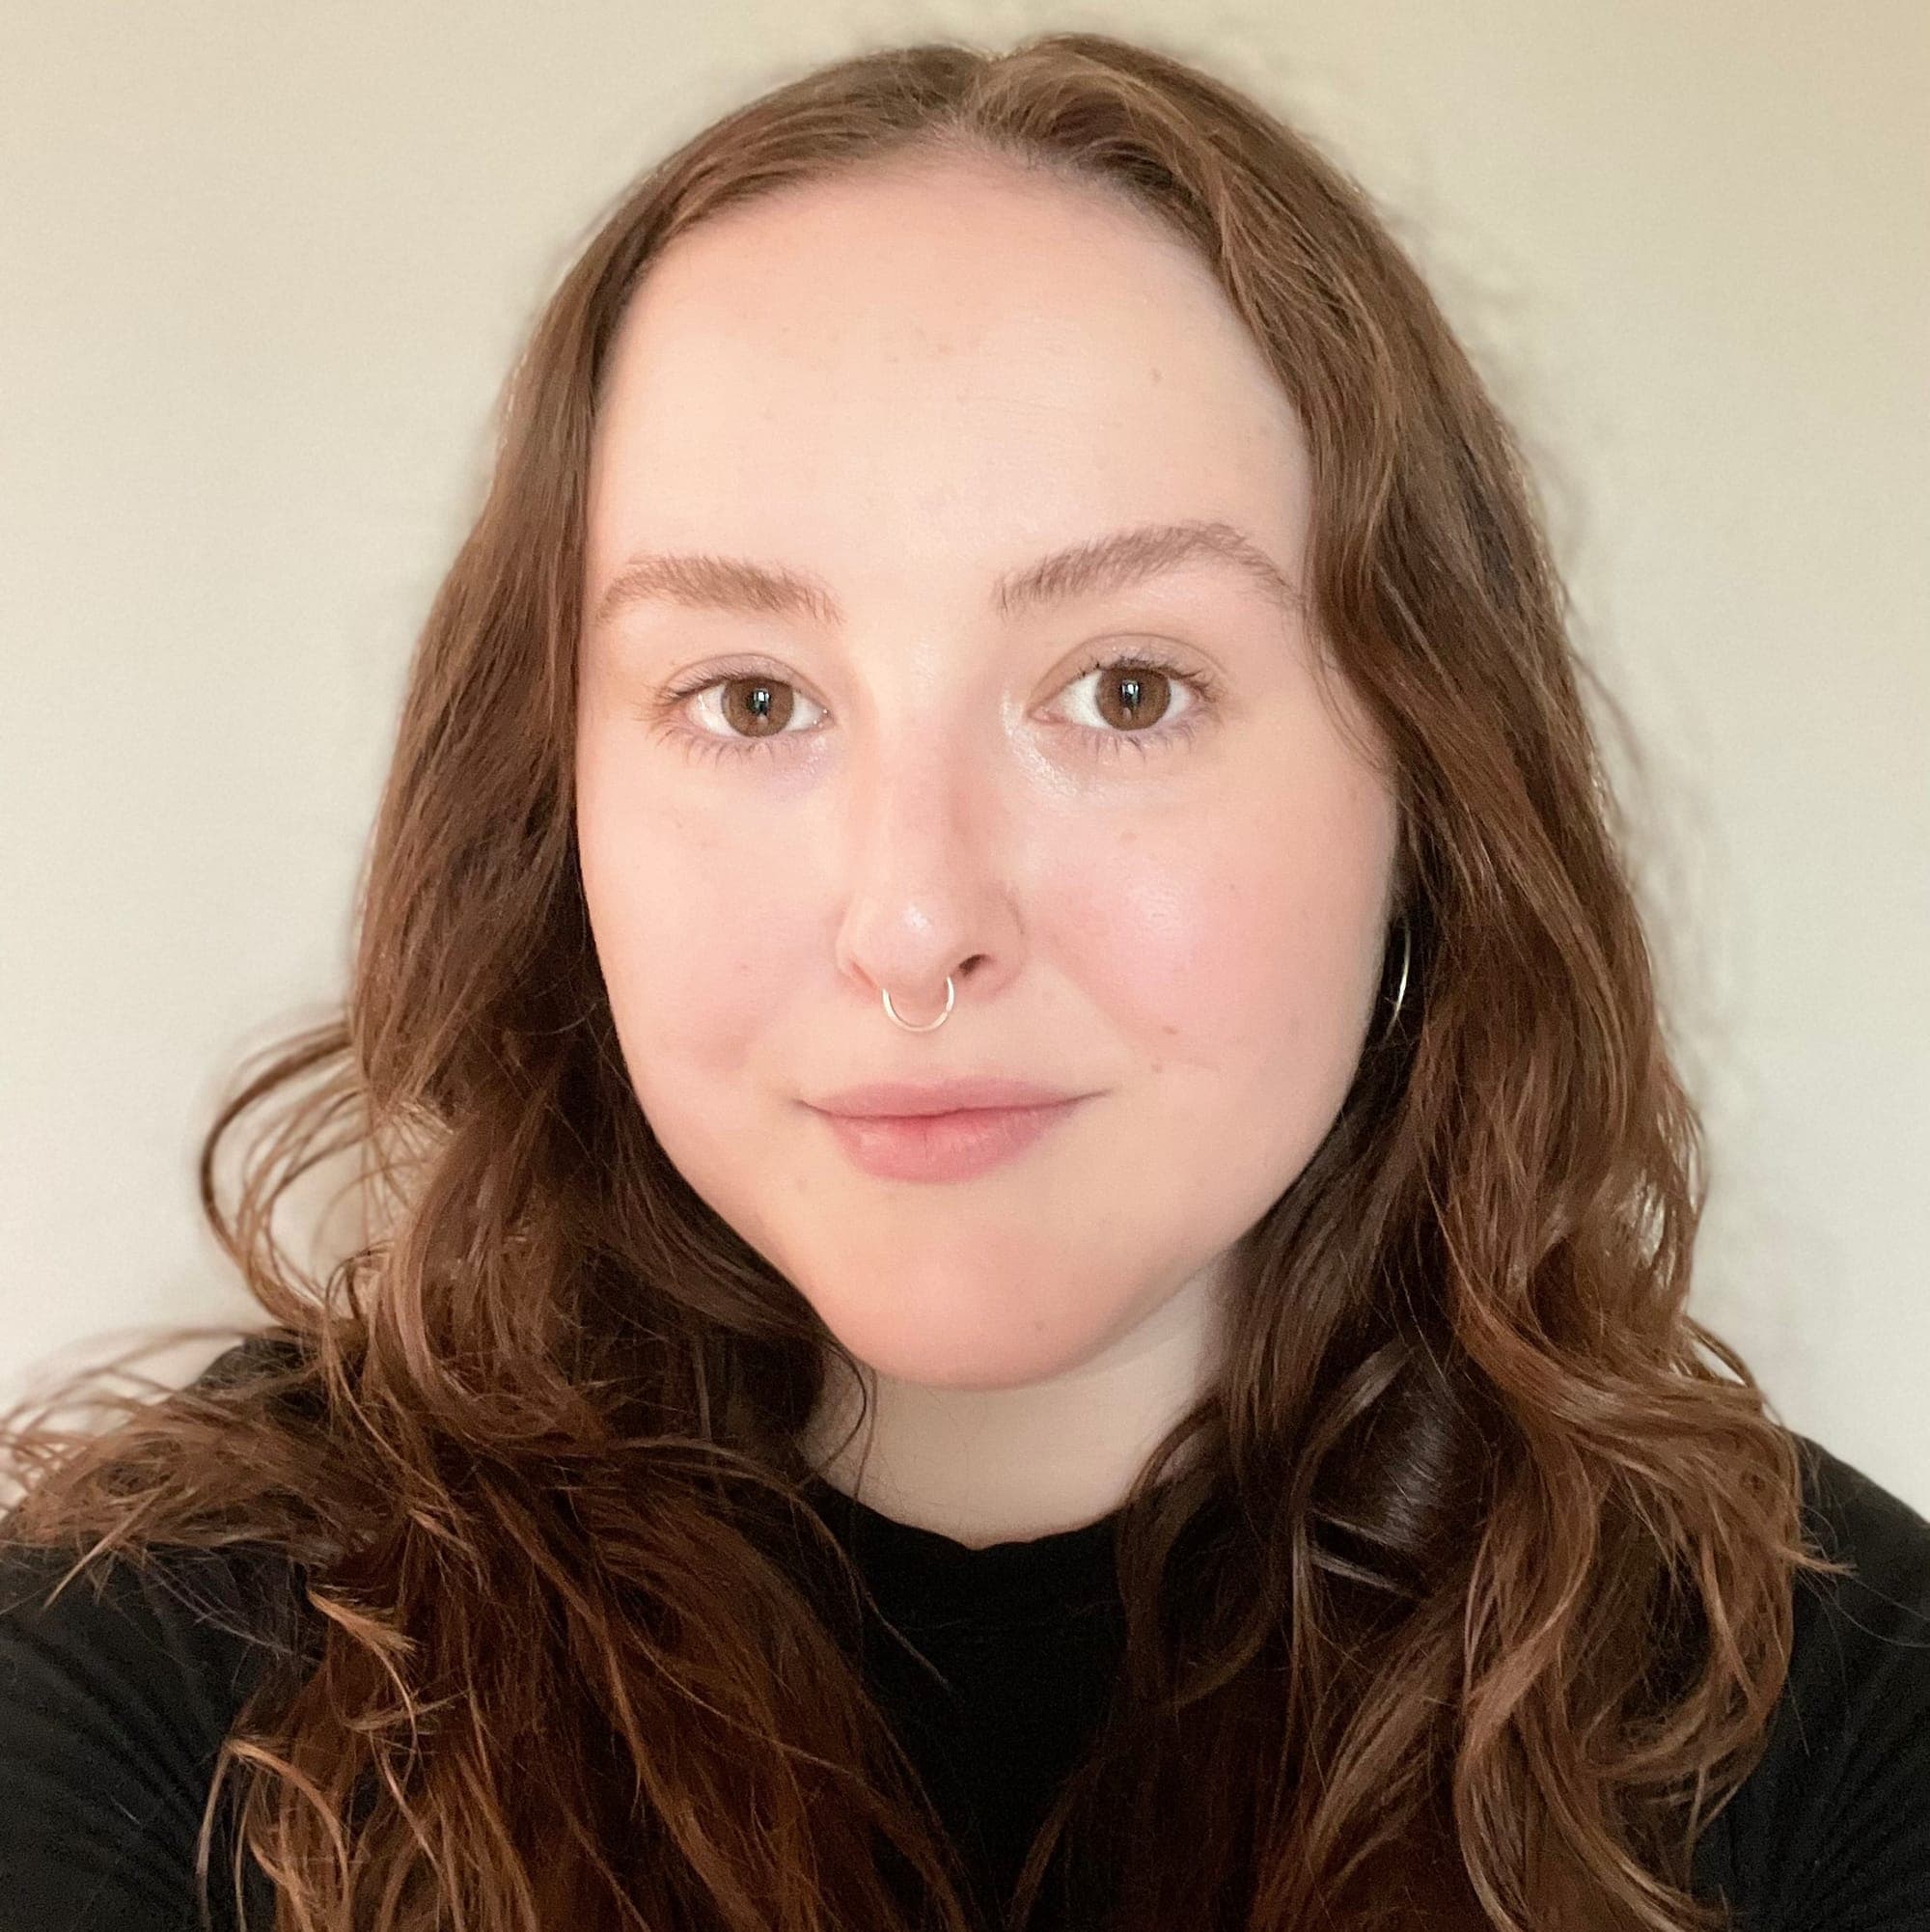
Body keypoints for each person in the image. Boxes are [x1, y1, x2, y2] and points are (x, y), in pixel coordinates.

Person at [2, 28, 1925, 1932]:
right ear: (548, 803)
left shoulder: (1843, 1721)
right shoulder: (143, 1683)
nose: (915, 919)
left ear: (1430, 785)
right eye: (752, 700)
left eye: (1128, 692)